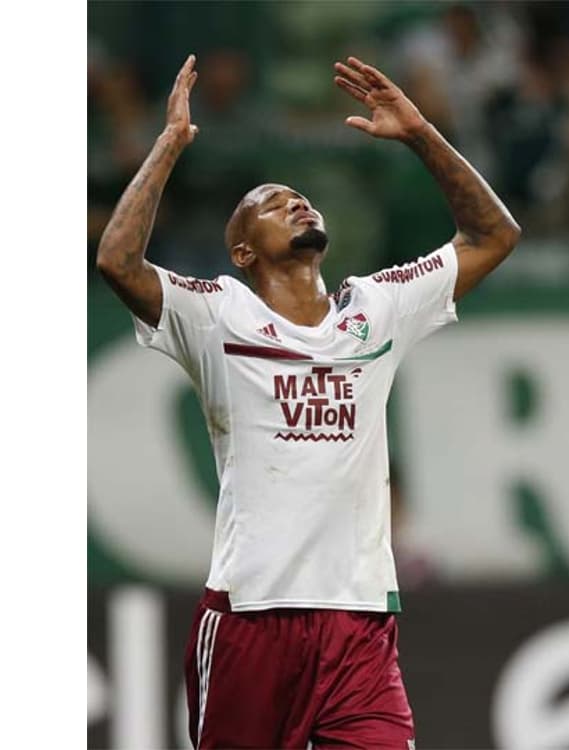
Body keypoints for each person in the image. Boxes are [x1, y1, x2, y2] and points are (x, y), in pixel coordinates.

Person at [94, 54, 520, 749]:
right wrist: (169, 144)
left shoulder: (377, 308)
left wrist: (421, 135)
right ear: (240, 251)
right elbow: (118, 262)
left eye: (301, 196)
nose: (296, 201)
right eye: (270, 201)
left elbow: (494, 236)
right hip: (253, 613)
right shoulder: (215, 315)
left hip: (359, 621)